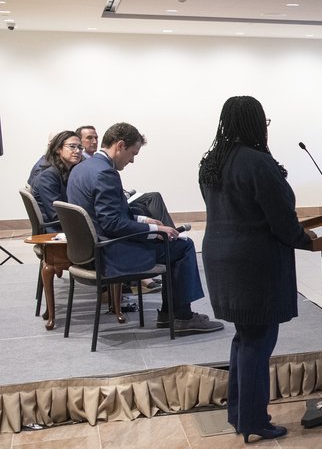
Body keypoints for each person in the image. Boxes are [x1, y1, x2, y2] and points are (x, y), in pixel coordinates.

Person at [198, 96, 312, 442]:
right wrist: (306, 240)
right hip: (254, 261)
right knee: (259, 341)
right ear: (254, 123)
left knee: (245, 337)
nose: (266, 128)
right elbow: (280, 216)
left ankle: (239, 414)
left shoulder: (211, 162)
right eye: (264, 121)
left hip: (220, 256)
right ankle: (253, 420)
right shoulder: (258, 162)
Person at [67, 122, 222, 336]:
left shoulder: (81, 168)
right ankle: (181, 317)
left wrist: (146, 219)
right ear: (120, 145)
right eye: (132, 153)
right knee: (183, 246)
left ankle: (170, 314)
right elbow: (112, 223)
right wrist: (152, 230)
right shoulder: (105, 173)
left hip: (89, 252)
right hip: (110, 252)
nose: (132, 160)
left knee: (171, 240)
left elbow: (106, 214)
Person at [28, 131, 84, 229]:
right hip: (57, 230)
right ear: (58, 149)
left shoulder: (68, 171)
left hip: (67, 226)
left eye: (80, 147)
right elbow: (57, 215)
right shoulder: (48, 176)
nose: (77, 151)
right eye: (72, 146)